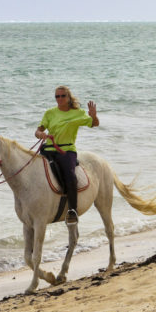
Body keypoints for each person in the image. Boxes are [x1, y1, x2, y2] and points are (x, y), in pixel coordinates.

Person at [35, 85, 99, 226]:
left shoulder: (78, 113)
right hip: (48, 149)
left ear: (69, 98)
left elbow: (94, 124)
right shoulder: (50, 113)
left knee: (70, 175)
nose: (60, 99)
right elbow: (38, 130)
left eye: (63, 96)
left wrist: (93, 116)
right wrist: (40, 134)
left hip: (66, 151)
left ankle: (72, 211)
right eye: (57, 96)